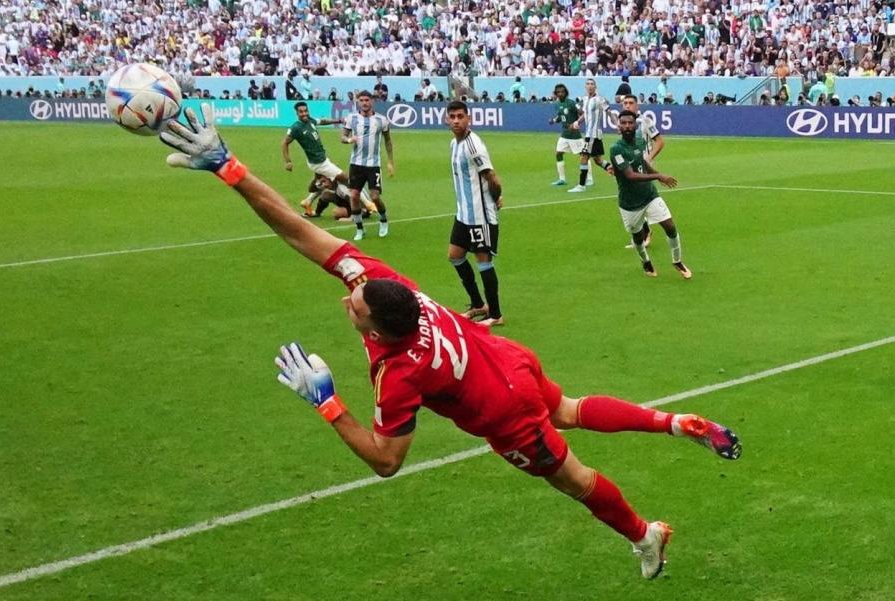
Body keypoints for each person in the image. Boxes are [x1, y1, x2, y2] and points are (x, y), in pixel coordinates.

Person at [158, 104, 742, 580]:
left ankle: (647, 535)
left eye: (354, 307)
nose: (347, 299)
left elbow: (387, 461)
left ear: (378, 330)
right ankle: (676, 422)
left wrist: (327, 404)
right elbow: (298, 228)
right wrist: (229, 169)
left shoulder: (396, 372)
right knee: (566, 409)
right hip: (509, 361)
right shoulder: (391, 286)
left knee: (578, 480)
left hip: (505, 412)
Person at [610, 110, 692, 279]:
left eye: (629, 123)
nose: (627, 126)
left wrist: (656, 174)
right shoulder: (616, 149)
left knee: (670, 226)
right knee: (638, 237)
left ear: (635, 125)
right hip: (630, 203)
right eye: (623, 123)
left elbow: (643, 164)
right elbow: (630, 176)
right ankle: (645, 261)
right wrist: (659, 176)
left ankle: (677, 261)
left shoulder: (640, 142)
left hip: (649, 195)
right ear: (619, 126)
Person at [446, 101, 504, 327]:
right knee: (454, 256)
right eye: (452, 116)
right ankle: (478, 304)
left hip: (480, 215)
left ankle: (496, 314)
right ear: (447, 119)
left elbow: (492, 177)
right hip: (463, 214)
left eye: (461, 116)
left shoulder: (473, 145)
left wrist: (496, 197)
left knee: (483, 261)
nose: (457, 120)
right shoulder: (454, 144)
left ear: (468, 118)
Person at [282, 102, 376, 216]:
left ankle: (308, 201)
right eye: (301, 112)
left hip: (319, 160)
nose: (304, 113)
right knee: (346, 178)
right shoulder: (296, 127)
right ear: (296, 113)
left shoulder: (310, 121)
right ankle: (367, 204)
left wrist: (338, 121)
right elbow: (285, 143)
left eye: (305, 111)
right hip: (319, 163)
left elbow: (323, 121)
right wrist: (288, 161)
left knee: (321, 183)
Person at [341, 90, 395, 240]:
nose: (364, 103)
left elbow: (388, 141)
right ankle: (360, 229)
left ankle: (383, 220)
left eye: (367, 100)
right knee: (354, 196)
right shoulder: (352, 118)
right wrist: (349, 140)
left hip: (373, 164)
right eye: (362, 100)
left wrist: (390, 161)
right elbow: (343, 137)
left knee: (375, 197)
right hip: (356, 164)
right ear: (358, 102)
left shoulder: (381, 120)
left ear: (372, 101)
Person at [620, 94, 665, 249]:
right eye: (625, 103)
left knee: (642, 199)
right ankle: (643, 233)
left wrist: (649, 158)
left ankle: (645, 234)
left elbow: (659, 141)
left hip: (643, 169)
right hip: (627, 168)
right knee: (633, 200)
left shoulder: (645, 121)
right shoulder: (624, 124)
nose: (627, 106)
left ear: (637, 105)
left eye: (630, 103)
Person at [569, 79, 613, 193]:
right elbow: (585, 114)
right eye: (588, 84)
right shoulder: (585, 99)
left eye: (592, 84)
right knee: (598, 160)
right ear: (585, 86)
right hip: (589, 134)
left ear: (595, 87)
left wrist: (618, 124)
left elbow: (609, 112)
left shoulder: (599, 99)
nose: (590, 86)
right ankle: (618, 171)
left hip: (593, 134)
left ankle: (581, 185)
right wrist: (578, 122)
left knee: (584, 157)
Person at [548, 83, 582, 187]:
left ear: (565, 93)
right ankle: (562, 179)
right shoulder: (558, 104)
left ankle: (588, 179)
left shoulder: (571, 103)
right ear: (556, 93)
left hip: (574, 135)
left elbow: (582, 112)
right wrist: (553, 120)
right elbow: (561, 116)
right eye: (558, 92)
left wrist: (577, 123)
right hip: (564, 134)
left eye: (562, 92)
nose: (560, 94)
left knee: (583, 156)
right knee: (558, 153)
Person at [300, 175, 373, 221]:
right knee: (325, 195)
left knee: (336, 212)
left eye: (324, 181)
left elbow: (354, 198)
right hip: (348, 200)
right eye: (321, 182)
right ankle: (317, 213)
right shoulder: (329, 181)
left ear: (331, 179)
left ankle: (356, 215)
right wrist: (308, 200)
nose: (323, 184)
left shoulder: (342, 188)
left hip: (362, 207)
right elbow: (312, 189)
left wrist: (352, 217)